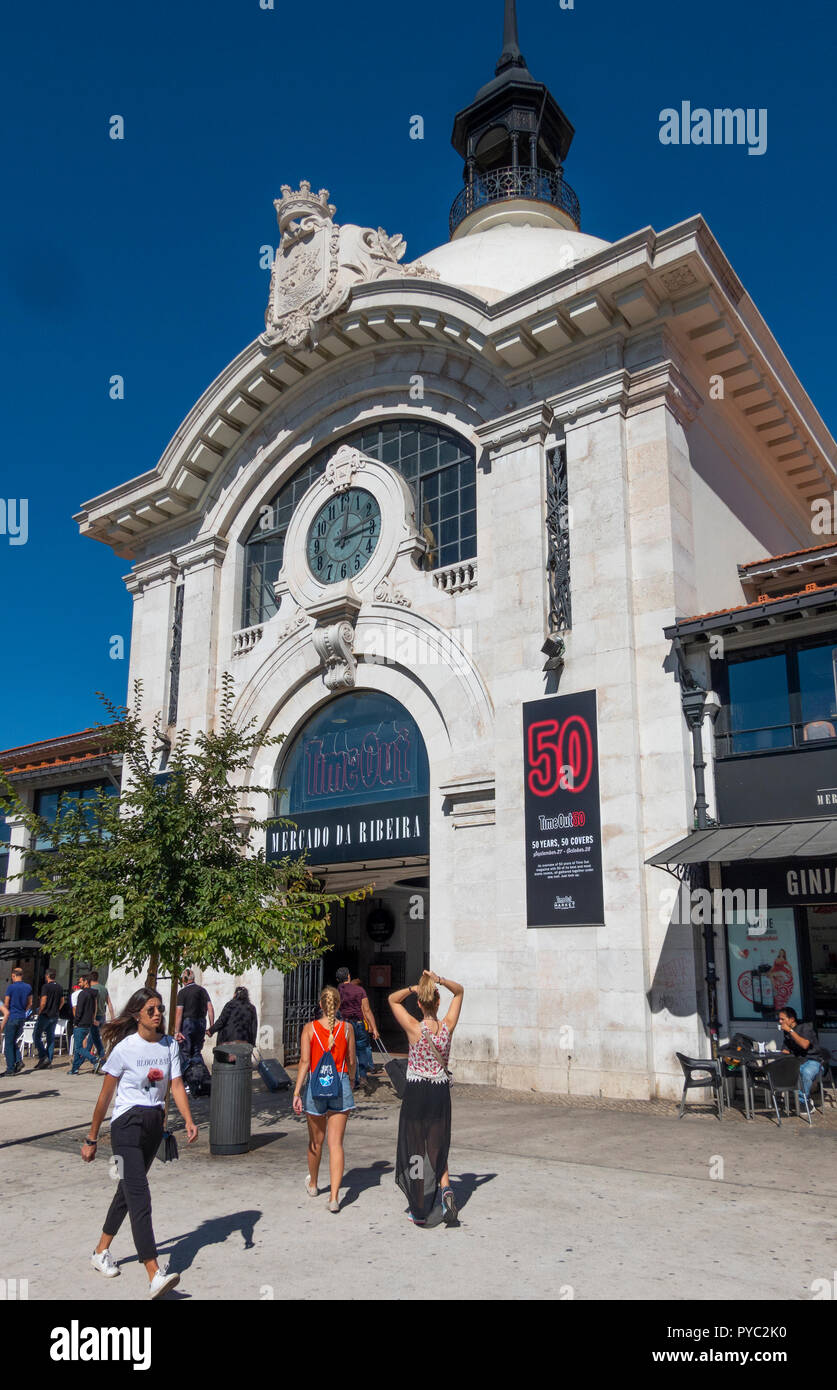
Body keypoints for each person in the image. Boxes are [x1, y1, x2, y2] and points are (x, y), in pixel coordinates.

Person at [82, 987, 197, 1298]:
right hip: (126, 1126)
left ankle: (100, 1251)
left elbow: (175, 1084)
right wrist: (92, 1137)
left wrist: (187, 1119)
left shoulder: (169, 1044)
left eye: (160, 1008)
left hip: (152, 1126)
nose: (158, 1013)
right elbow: (105, 1096)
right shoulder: (124, 1048)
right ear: (137, 1015)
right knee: (140, 1195)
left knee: (127, 1191)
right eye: (151, 1009)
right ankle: (153, 1272)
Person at [388, 968, 464, 1226]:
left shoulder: (414, 1028)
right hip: (439, 1091)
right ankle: (446, 1191)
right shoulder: (447, 1027)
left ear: (419, 1003)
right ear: (439, 1001)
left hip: (417, 1092)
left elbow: (392, 1000)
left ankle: (419, 1207)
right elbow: (460, 991)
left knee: (416, 1147)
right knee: (437, 1143)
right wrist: (439, 980)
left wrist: (414, 987)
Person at [292, 985, 356, 1213]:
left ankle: (313, 1183)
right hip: (339, 1085)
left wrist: (297, 1091)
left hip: (316, 1088)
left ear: (320, 1005)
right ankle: (335, 1197)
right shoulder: (347, 1029)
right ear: (338, 1005)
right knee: (336, 1144)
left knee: (315, 1142)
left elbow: (304, 1063)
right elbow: (351, 1061)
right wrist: (350, 1082)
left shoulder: (309, 1029)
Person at [778, 1006, 830, 1110]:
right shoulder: (787, 1033)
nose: (780, 1022)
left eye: (782, 1019)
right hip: (798, 1061)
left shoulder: (805, 1027)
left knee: (805, 1071)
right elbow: (786, 1049)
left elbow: (805, 1045)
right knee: (784, 1070)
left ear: (792, 1019)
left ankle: (804, 1103)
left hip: (814, 1061)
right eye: (779, 1019)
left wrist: (790, 1031)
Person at [335, 966, 378, 1090]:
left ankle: (347, 1077)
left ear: (338, 979)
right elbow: (367, 1010)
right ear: (349, 976)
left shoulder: (336, 992)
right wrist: (374, 1028)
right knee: (361, 1050)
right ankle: (363, 1077)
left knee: (344, 1051)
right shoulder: (359, 990)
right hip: (358, 1024)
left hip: (343, 1024)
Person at [174, 970, 215, 1063]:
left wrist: (177, 1031)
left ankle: (187, 1074)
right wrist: (212, 1025)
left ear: (184, 979)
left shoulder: (182, 992)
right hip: (201, 1023)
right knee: (197, 1051)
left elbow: (179, 1012)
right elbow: (210, 1007)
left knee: (185, 1051)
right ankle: (199, 1073)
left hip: (188, 1024)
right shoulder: (203, 991)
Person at [3, 968, 32, 1076]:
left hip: (12, 1016)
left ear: (14, 976)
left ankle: (10, 1068)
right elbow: (30, 1002)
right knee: (13, 1041)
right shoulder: (28, 987)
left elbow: (6, 1003)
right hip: (21, 1017)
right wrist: (24, 1011)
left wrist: (6, 1012)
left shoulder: (11, 987)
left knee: (9, 1043)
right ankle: (18, 1061)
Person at [70, 974, 100, 1076]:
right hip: (88, 1023)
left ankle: (94, 1059)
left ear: (86, 982)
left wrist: (76, 1022)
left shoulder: (82, 994)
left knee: (78, 1048)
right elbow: (93, 1009)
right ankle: (75, 1069)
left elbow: (79, 1010)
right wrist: (92, 1019)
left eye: (81, 982)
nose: (79, 984)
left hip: (81, 1023)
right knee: (79, 1047)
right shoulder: (93, 995)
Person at [34, 969, 64, 1068]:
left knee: (36, 1036)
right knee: (50, 1038)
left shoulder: (46, 987)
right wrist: (57, 1009)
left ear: (47, 976)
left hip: (45, 1015)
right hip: (54, 1015)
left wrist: (40, 1011)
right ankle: (49, 1061)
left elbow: (43, 1001)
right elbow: (62, 1001)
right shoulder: (59, 987)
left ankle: (43, 1056)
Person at [88, 971, 113, 1074]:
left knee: (92, 1040)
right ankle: (98, 1061)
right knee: (97, 1040)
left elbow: (92, 1005)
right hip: (102, 1016)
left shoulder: (92, 990)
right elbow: (109, 1003)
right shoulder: (104, 989)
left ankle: (99, 1062)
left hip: (95, 1016)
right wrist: (113, 1017)